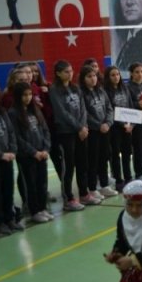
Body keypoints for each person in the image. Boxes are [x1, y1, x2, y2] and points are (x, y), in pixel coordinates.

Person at [50, 60, 93, 211]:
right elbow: (61, 112)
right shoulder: (54, 90)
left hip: (81, 131)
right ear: (58, 73)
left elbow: (83, 108)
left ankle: (84, 193)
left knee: (83, 163)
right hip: (66, 132)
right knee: (68, 166)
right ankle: (68, 198)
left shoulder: (75, 88)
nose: (70, 74)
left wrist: (83, 126)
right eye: (66, 72)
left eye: (71, 71)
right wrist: (78, 126)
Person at [9, 82, 52, 224]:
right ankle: (34, 211)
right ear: (18, 96)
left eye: (30, 95)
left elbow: (45, 130)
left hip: (42, 153)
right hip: (27, 156)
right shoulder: (13, 113)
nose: (28, 98)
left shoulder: (36, 110)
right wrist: (33, 152)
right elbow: (17, 137)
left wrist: (45, 149)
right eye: (24, 95)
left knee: (42, 182)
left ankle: (42, 207)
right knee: (30, 184)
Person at [0, 83, 23, 236]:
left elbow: (11, 133)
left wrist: (12, 150)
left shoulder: (2, 113)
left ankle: (10, 219)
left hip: (7, 158)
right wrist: (0, 154)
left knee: (8, 189)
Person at [80, 65, 116, 200]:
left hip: (105, 129)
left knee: (104, 156)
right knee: (93, 159)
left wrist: (107, 123)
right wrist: (98, 125)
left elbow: (109, 108)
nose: (93, 79)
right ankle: (93, 188)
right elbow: (85, 113)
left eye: (94, 75)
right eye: (89, 76)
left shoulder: (101, 91)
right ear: (83, 79)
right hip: (93, 131)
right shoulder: (81, 93)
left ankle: (104, 185)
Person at [104, 66, 134, 191]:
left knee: (127, 153)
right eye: (113, 75)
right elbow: (110, 110)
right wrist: (122, 124)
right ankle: (118, 180)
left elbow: (130, 106)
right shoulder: (106, 91)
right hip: (115, 128)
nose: (116, 77)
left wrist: (131, 123)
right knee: (115, 154)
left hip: (127, 127)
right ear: (108, 77)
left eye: (117, 74)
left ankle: (128, 177)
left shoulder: (125, 88)